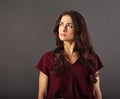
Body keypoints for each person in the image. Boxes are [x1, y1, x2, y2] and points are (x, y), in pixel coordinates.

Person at [36, 10, 104, 99]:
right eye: (61, 24)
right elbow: (42, 93)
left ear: (78, 30)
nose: (63, 29)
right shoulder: (48, 58)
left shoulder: (91, 58)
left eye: (69, 26)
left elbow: (96, 91)